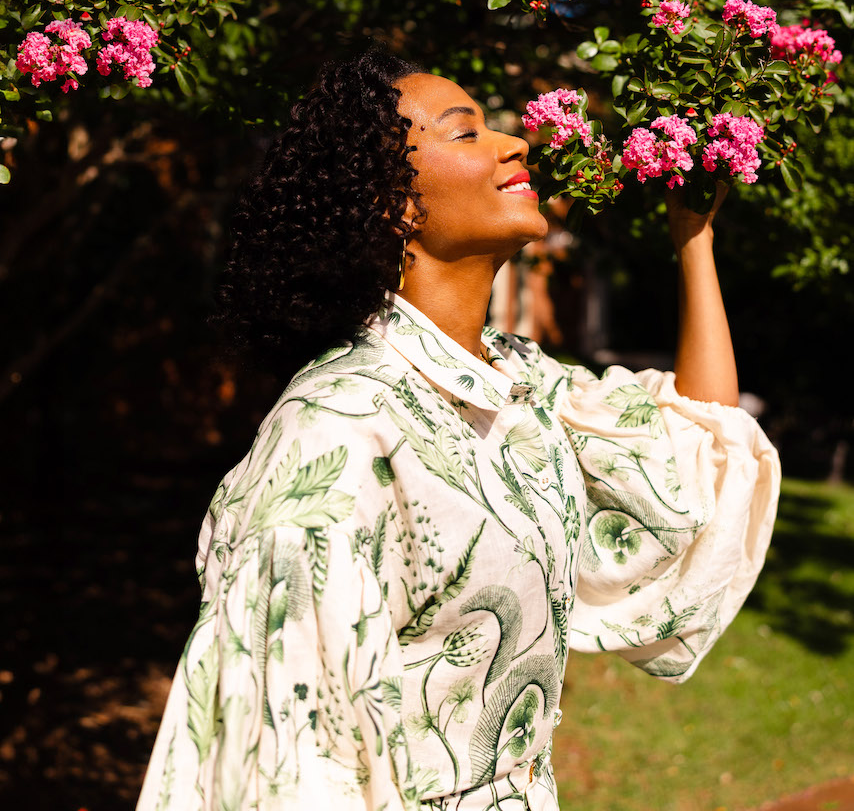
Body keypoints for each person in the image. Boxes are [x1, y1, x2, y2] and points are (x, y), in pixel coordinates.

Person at [136, 49, 780, 811]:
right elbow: (290, 755)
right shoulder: (337, 432)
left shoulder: (518, 384)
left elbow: (689, 454)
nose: (516, 144)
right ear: (397, 206)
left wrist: (693, 238)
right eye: (467, 133)